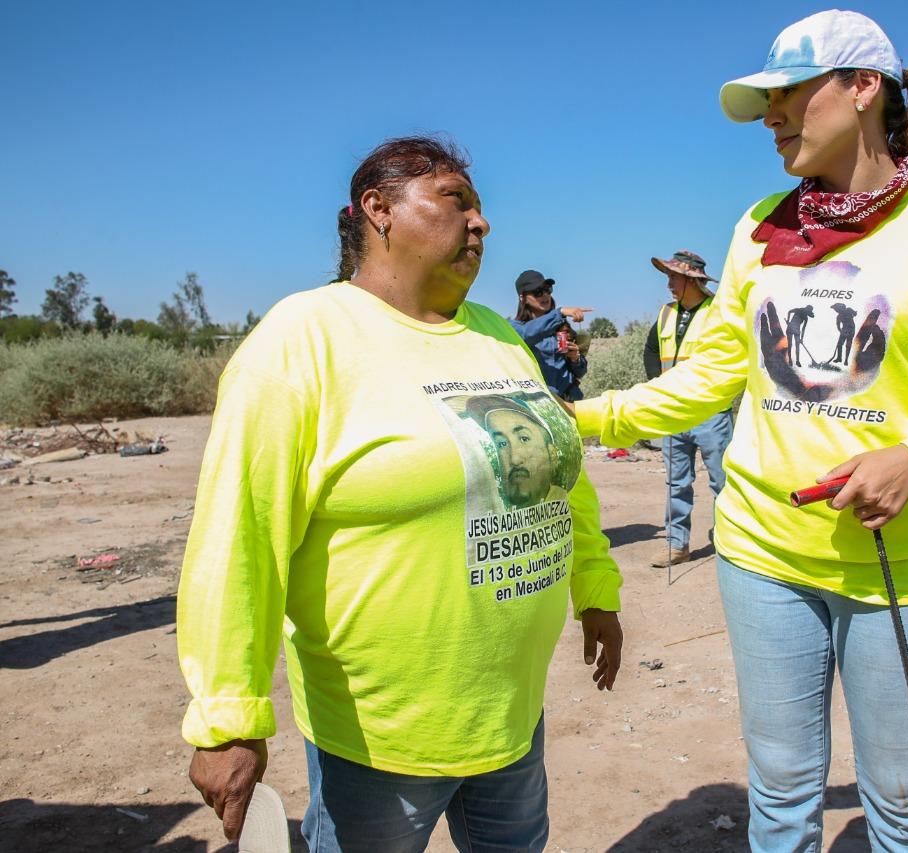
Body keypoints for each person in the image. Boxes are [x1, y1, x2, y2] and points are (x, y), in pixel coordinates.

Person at [575, 11, 908, 851]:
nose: (772, 116)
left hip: (907, 565)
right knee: (783, 795)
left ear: (863, 86)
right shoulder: (758, 227)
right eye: (767, 101)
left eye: (789, 92)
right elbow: (708, 376)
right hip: (762, 558)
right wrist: (579, 414)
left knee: (904, 806)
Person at [177, 136, 624, 852]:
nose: (481, 223)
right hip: (379, 742)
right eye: (456, 201)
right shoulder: (302, 340)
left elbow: (557, 472)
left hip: (510, 717)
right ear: (377, 209)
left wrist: (595, 586)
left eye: (482, 210)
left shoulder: (500, 340)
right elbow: (239, 537)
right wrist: (229, 717)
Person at [641, 249, 734, 567]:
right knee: (676, 482)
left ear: (691, 280)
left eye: (673, 277)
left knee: (722, 480)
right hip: (674, 413)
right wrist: (660, 388)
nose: (668, 284)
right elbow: (652, 351)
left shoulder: (718, 313)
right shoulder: (666, 313)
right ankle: (677, 545)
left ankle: (730, 541)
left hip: (711, 414)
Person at [509, 269, 592, 401]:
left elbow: (580, 372)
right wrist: (561, 312)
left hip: (571, 401)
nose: (545, 295)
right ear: (522, 297)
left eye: (547, 289)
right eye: (538, 292)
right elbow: (526, 335)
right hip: (541, 404)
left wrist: (575, 358)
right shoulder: (515, 328)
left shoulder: (562, 327)